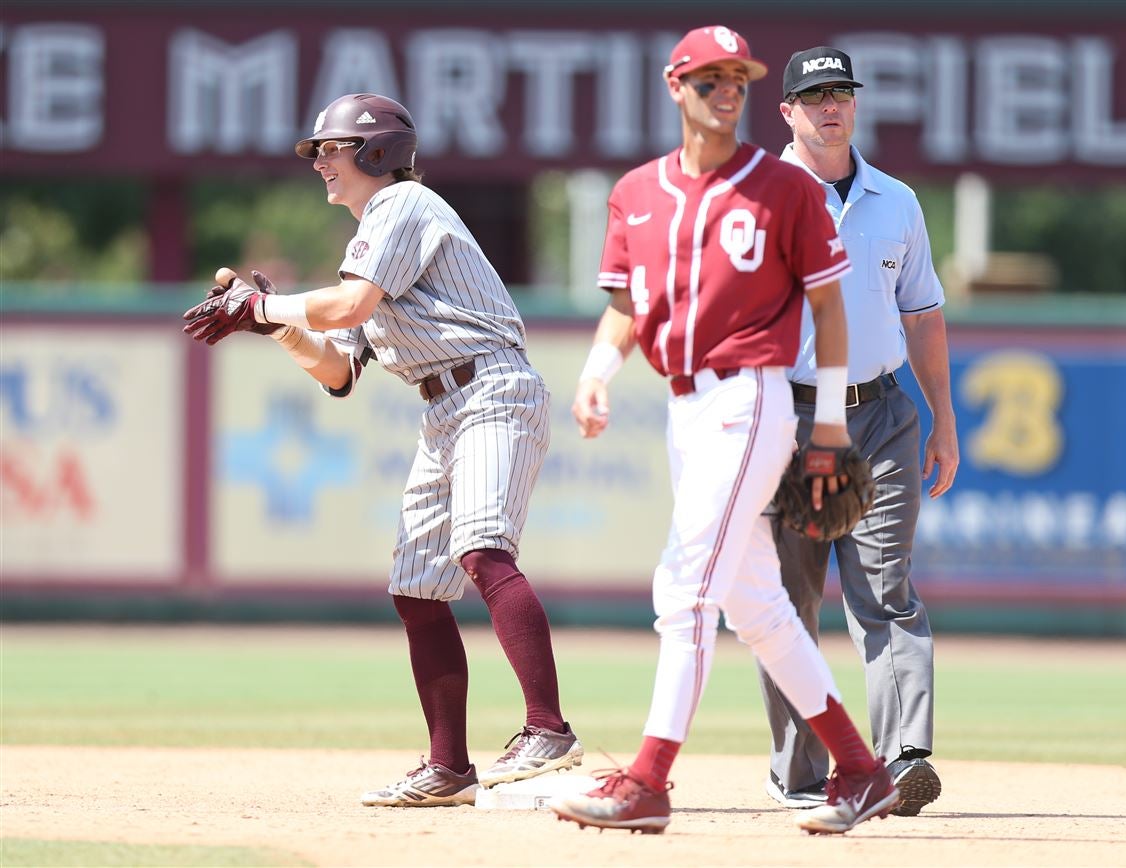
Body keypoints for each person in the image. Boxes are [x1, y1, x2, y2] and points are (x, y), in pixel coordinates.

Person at [181, 93, 582, 807]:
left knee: (483, 552)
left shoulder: (402, 208)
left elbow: (348, 307)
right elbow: (338, 370)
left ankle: (548, 728)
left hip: (491, 387)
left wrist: (264, 306)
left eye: (330, 150)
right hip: (443, 405)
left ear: (375, 152)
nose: (321, 164)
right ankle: (448, 768)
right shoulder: (372, 238)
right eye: (319, 153)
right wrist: (271, 325)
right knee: (415, 590)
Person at [548, 26, 897, 836]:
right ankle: (859, 768)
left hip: (751, 398)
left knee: (684, 589)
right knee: (758, 605)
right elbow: (626, 307)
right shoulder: (636, 192)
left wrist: (832, 429)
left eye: (738, 77)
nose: (727, 90)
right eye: (710, 79)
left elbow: (829, 312)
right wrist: (596, 375)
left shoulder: (785, 189)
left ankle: (648, 781)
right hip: (683, 404)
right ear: (677, 87)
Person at [758, 46, 959, 818]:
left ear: (856, 103)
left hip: (880, 412)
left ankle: (904, 756)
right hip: (791, 412)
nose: (829, 106)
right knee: (791, 602)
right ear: (787, 112)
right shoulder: (761, 198)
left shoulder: (896, 201)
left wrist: (942, 417)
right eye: (813, 97)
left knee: (887, 589)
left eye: (840, 92)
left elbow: (924, 315)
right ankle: (801, 771)